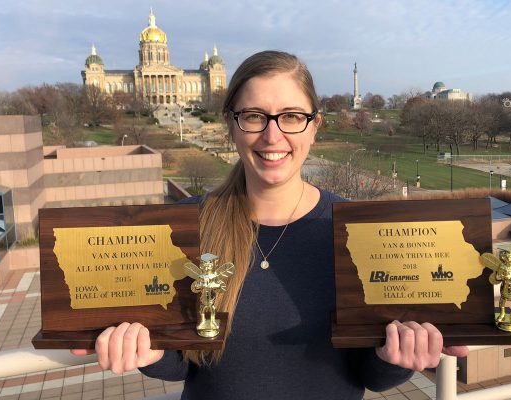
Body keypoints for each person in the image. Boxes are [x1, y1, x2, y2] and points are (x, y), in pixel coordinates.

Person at [73, 50, 468, 399]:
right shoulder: (184, 228)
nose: (272, 135)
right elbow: (182, 366)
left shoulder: (356, 233)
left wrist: (401, 357)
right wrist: (148, 351)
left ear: (314, 126)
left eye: (292, 116)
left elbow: (370, 376)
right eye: (254, 116)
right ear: (231, 124)